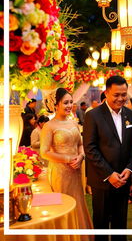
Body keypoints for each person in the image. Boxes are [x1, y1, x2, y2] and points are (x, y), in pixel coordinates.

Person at [83, 76, 132, 241]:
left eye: (124, 94)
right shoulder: (93, 115)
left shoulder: (131, 115)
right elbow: (90, 148)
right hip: (102, 180)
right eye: (116, 95)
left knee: (120, 225)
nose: (121, 99)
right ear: (106, 93)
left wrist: (128, 169)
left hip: (123, 178)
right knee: (101, 224)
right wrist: (109, 174)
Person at [40, 88, 93, 237]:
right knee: (63, 204)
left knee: (78, 201)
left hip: (76, 171)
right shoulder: (49, 126)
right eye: (66, 103)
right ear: (56, 104)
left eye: (71, 102)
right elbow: (44, 152)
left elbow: (80, 145)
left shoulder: (74, 123)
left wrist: (81, 157)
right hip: (60, 173)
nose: (69, 105)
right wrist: (68, 159)